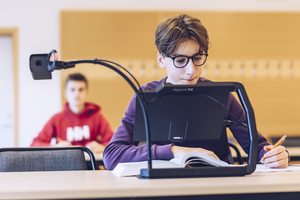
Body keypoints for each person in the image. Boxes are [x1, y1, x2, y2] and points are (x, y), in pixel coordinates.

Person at [103, 14, 289, 170]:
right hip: (163, 189)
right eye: (181, 60)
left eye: (197, 58)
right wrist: (175, 150)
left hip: (216, 188)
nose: (191, 70)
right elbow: (112, 155)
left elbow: (258, 148)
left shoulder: (221, 96)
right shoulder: (146, 96)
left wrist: (277, 155)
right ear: (161, 60)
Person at [31, 73, 114, 154]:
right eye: (72, 90)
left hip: (90, 165)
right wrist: (56, 147)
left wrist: (103, 147)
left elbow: (114, 143)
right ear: (66, 94)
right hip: (64, 165)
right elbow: (35, 144)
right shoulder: (56, 118)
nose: (77, 94)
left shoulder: (97, 117)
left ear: (87, 93)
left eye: (81, 90)